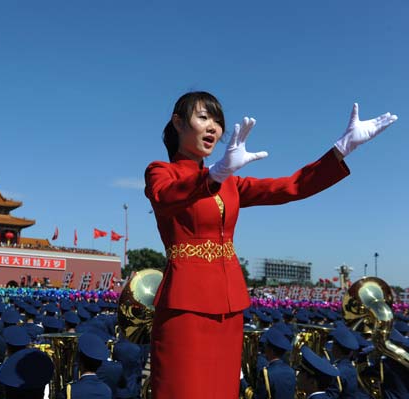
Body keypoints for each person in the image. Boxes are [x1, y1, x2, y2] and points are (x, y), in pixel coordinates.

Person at [144, 91, 397, 399]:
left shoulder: (230, 183)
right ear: (178, 123)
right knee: (182, 390)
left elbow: (290, 186)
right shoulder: (162, 171)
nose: (213, 127)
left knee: (222, 390)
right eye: (203, 117)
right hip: (185, 304)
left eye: (218, 121)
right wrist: (214, 174)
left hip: (229, 304)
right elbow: (166, 196)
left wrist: (340, 151)